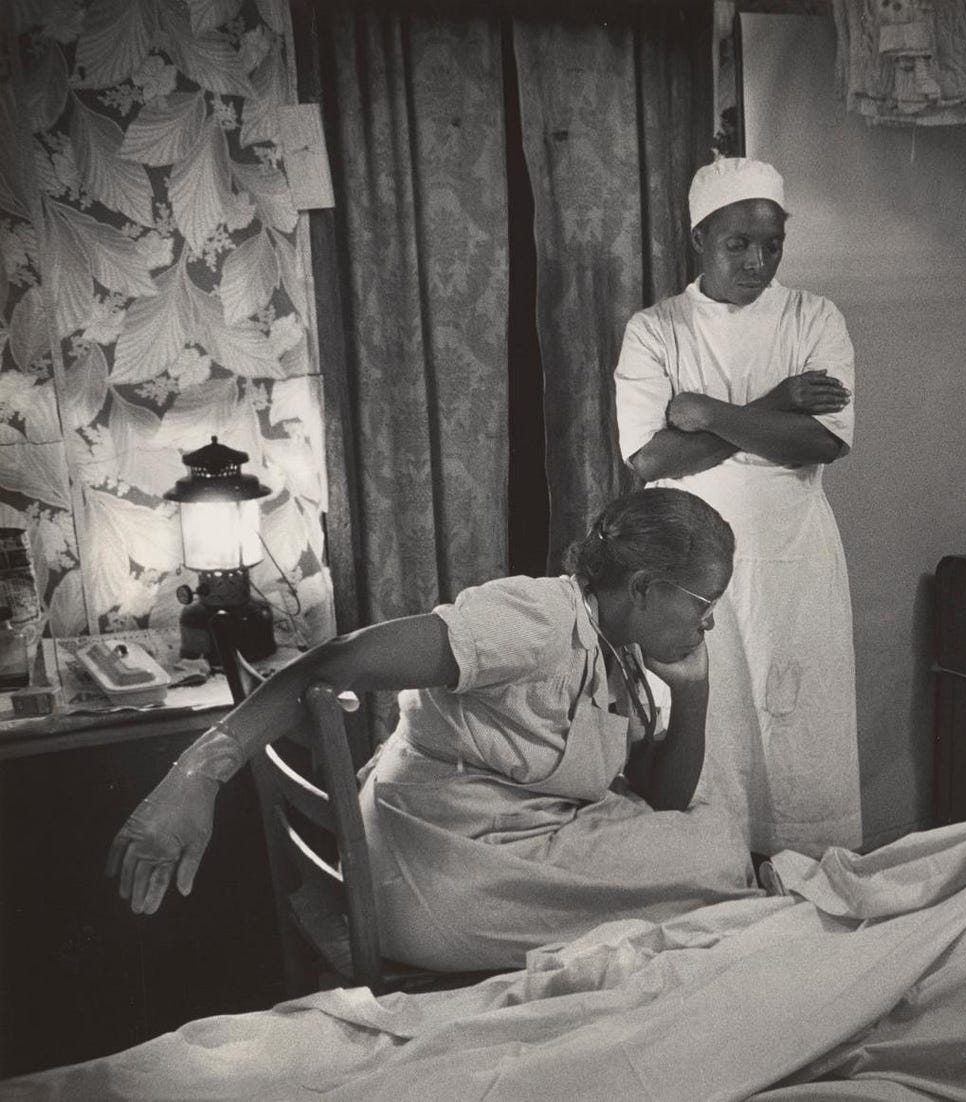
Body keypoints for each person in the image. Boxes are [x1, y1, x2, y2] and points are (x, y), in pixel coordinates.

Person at [105, 488, 759, 971]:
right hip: (438, 876)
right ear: (644, 586)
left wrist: (692, 690)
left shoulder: (616, 645)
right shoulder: (533, 620)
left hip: (476, 843)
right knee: (722, 858)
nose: (707, 626)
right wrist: (197, 773)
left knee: (713, 829)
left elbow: (662, 798)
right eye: (705, 606)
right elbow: (338, 660)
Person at [614, 156, 859, 858]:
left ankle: (805, 881)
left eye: (772, 244)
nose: (758, 261)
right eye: (738, 245)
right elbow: (652, 460)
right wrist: (776, 406)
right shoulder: (657, 330)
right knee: (709, 722)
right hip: (686, 560)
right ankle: (710, 877)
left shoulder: (815, 317)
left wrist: (710, 413)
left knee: (799, 720)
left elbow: (822, 442)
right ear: (700, 239)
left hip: (793, 554)